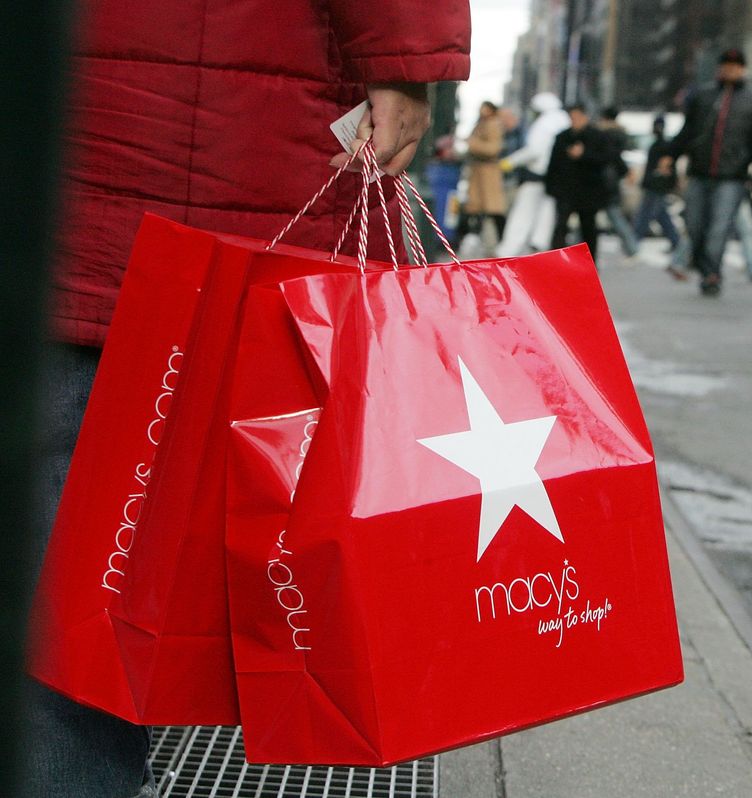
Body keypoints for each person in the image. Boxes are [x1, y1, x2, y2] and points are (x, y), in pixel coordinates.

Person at [30, 2, 470, 797]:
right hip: (266, 147)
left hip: (76, 155)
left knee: (61, 565)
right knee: (272, 516)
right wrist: (403, 65)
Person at [670, 47, 752, 296]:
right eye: (726, 65)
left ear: (743, 70)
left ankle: (711, 274)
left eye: (736, 66)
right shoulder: (702, 96)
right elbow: (687, 132)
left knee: (719, 227)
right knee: (693, 225)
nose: (730, 70)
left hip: (732, 177)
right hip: (699, 172)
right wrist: (669, 155)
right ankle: (705, 264)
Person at [496, 92, 571, 257]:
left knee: (522, 215)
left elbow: (534, 150)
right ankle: (538, 247)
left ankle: (508, 251)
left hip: (536, 176)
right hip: (556, 179)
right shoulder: (564, 120)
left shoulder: (544, 123)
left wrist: (511, 162)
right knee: (546, 216)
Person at [545, 105, 612, 259]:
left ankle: (590, 261)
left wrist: (584, 155)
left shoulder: (597, 136)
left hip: (588, 190)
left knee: (588, 227)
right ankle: (555, 260)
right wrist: (551, 187)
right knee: (560, 226)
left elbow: (605, 159)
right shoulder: (563, 137)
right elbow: (554, 163)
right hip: (566, 189)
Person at [454, 101, 508, 253]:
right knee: (476, 209)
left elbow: (493, 148)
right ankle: (474, 240)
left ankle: (502, 242)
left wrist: (473, 144)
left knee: (493, 209)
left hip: (488, 172)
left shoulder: (493, 124)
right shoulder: (481, 123)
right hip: (478, 171)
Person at [633, 117, 687, 265]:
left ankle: (633, 243)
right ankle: (675, 241)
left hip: (656, 184)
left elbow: (667, 166)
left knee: (646, 214)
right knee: (661, 215)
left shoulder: (663, 145)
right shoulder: (661, 144)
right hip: (656, 184)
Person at [597, 106, 642, 257]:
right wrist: (625, 172)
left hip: (600, 178)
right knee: (614, 215)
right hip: (613, 179)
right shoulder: (620, 134)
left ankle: (632, 246)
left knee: (597, 215)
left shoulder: (602, 134)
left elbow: (612, 156)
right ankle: (632, 247)